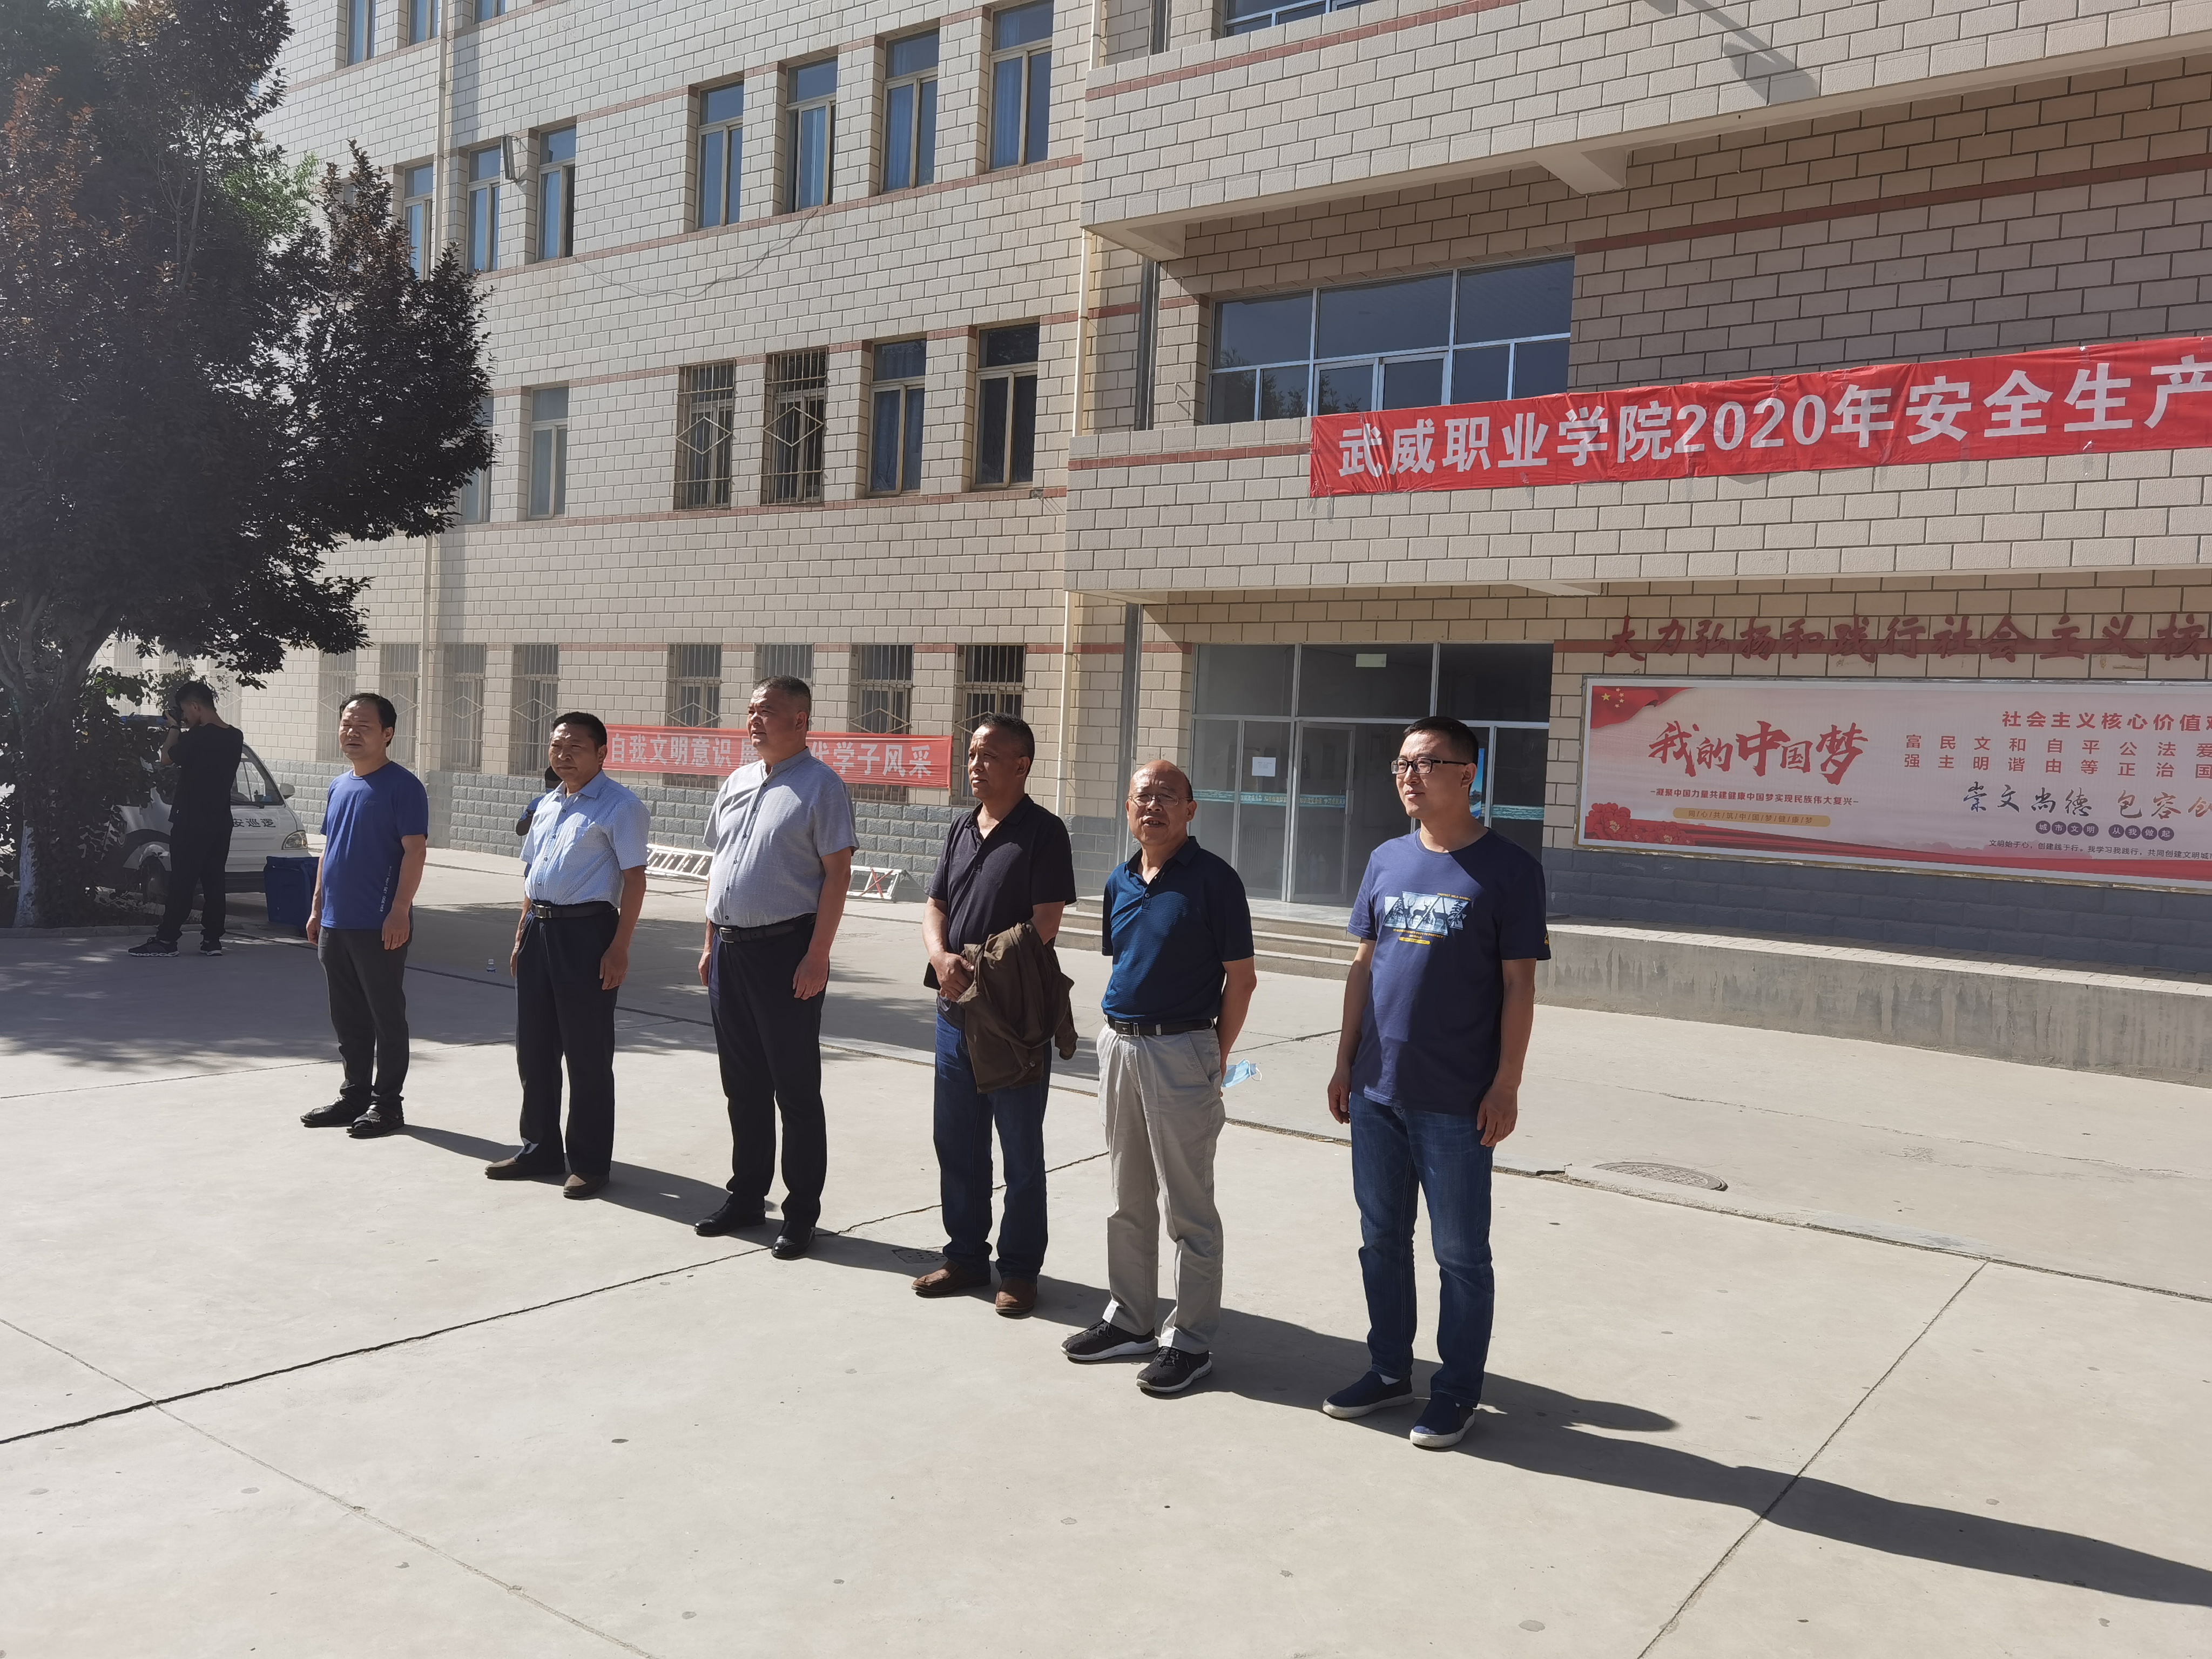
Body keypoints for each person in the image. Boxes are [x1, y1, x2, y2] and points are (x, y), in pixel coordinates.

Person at [1322, 716, 1549, 1450]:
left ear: (1467, 774)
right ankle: (1390, 1370)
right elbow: (1364, 966)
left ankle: (1456, 1390)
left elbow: (1519, 985)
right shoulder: (1386, 859)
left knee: (1460, 1254)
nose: (1408, 777)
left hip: (1457, 1099)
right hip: (1376, 1091)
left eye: (1424, 763)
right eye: (1401, 764)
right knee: (1381, 1240)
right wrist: (1344, 1061)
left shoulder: (1509, 869)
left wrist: (1506, 1083)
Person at [1062, 760, 1256, 1395]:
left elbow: (1242, 979)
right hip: (1118, 1045)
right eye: (1142, 797)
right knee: (1127, 1197)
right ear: (1127, 809)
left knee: (1188, 1207)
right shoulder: (1119, 881)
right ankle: (1131, 1319)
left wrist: (1213, 1058)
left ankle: (1191, 1341)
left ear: (1190, 810)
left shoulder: (1214, 881)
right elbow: (1128, 962)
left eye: (1167, 797)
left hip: (1182, 1049)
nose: (1153, 807)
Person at [911, 713, 1077, 1317]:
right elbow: (935, 904)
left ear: (1022, 766)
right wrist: (940, 956)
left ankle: (1021, 1270)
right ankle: (964, 1256)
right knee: (957, 1141)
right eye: (972, 753)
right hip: (953, 1012)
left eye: (988, 755)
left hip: (1012, 1018)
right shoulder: (962, 825)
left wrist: (977, 969)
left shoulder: (1044, 832)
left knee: (1020, 1150)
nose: (975, 765)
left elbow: (1045, 923)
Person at [692, 676, 855, 1260]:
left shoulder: (821, 787)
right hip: (730, 951)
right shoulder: (736, 782)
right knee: (743, 1086)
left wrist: (818, 955)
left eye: (768, 711)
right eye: (751, 710)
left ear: (800, 721)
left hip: (786, 953)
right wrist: (710, 941)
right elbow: (721, 865)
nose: (755, 720)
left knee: (795, 1090)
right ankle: (746, 1197)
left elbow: (837, 874)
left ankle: (801, 1212)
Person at [485, 713, 650, 1200]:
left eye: (575, 746)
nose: (563, 755)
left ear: (601, 753)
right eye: (557, 746)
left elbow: (635, 881)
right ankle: (539, 1148)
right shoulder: (548, 803)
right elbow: (532, 873)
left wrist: (619, 946)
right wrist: (521, 933)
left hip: (587, 935)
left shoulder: (621, 806)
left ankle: (590, 1162)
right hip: (539, 930)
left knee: (587, 1053)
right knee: (534, 1049)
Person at [300, 693, 429, 1139]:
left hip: (379, 923)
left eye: (364, 726)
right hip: (335, 921)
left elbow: (415, 851)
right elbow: (330, 850)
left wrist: (400, 910)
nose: (352, 733)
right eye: (346, 724)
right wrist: (317, 906)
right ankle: (354, 1096)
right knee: (348, 1017)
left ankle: (387, 1105)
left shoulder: (403, 787)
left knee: (385, 1016)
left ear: (388, 734)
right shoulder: (339, 786)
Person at [126, 681, 245, 959]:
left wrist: (174, 728)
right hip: (220, 821)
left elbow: (166, 758)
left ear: (195, 706)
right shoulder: (235, 736)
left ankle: (167, 940)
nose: (185, 716)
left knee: (182, 881)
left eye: (185, 710)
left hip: (190, 820)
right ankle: (212, 941)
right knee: (215, 881)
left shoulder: (197, 737)